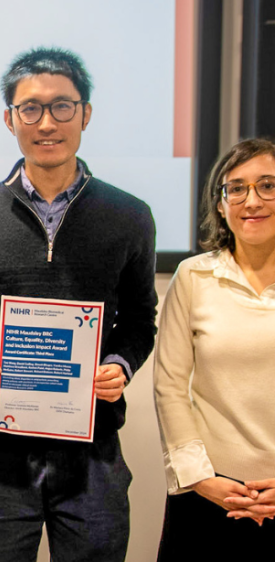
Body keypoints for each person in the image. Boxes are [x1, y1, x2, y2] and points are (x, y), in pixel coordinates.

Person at [0, 47, 158, 561]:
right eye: (30, 109)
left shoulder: (129, 215)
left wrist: (119, 365)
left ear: (85, 113)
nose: (46, 122)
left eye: (62, 106)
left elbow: (140, 321)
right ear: (9, 118)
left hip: (93, 451)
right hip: (0, 451)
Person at [154, 138, 275, 559]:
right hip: (208, 495)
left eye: (267, 186)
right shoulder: (193, 277)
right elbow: (168, 387)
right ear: (221, 205)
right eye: (236, 189)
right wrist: (199, 479)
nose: (252, 201)